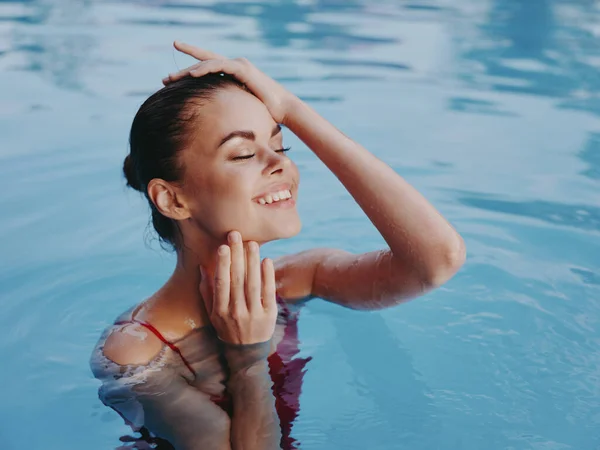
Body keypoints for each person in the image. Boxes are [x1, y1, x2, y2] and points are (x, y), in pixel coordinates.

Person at [90, 41, 466, 450]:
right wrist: (247, 359)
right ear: (173, 199)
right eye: (244, 153)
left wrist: (291, 109)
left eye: (281, 144)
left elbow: (437, 261)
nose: (280, 163)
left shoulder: (294, 281)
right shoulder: (138, 353)